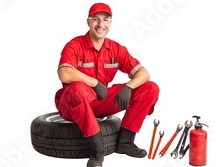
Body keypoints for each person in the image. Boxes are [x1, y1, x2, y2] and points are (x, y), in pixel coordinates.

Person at [54, 3, 159, 167]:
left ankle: (125, 142)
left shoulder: (116, 49)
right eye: (95, 19)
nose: (100, 25)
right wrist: (95, 83)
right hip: (72, 103)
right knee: (78, 88)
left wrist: (129, 86)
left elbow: (144, 73)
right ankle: (97, 151)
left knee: (150, 88)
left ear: (110, 23)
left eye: (106, 20)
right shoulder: (74, 45)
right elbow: (64, 73)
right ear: (88, 22)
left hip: (99, 101)